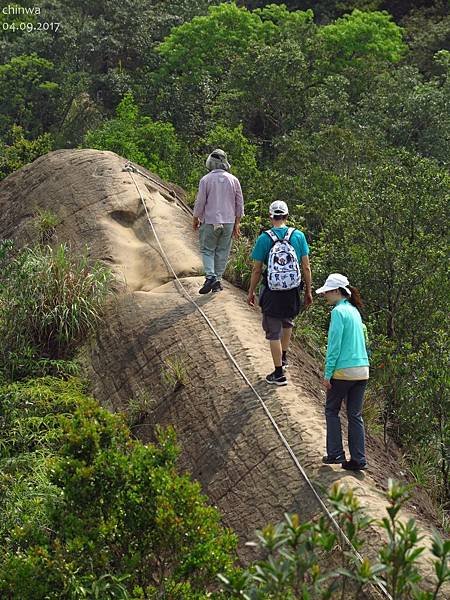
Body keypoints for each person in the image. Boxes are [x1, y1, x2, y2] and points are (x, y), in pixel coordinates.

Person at [247, 201, 312, 386]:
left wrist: (251, 291)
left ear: (271, 217)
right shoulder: (298, 236)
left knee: (273, 332)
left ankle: (278, 373)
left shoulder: (264, 238)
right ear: (286, 216)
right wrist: (308, 290)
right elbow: (306, 267)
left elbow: (257, 270)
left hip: (272, 291)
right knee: (287, 321)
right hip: (292, 289)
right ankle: (283, 357)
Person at [316, 273, 369, 471]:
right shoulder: (355, 311)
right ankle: (358, 459)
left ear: (337, 291)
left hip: (343, 370)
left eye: (327, 292)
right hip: (362, 369)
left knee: (331, 410)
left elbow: (334, 346)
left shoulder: (338, 312)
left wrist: (327, 373)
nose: (325, 295)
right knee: (355, 414)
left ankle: (336, 453)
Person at [193, 149, 244, 294]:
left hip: (210, 220)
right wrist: (237, 222)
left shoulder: (206, 179)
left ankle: (210, 277)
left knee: (207, 250)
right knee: (222, 251)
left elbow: (200, 201)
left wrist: (195, 218)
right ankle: (217, 281)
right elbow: (239, 202)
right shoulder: (233, 180)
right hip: (228, 221)